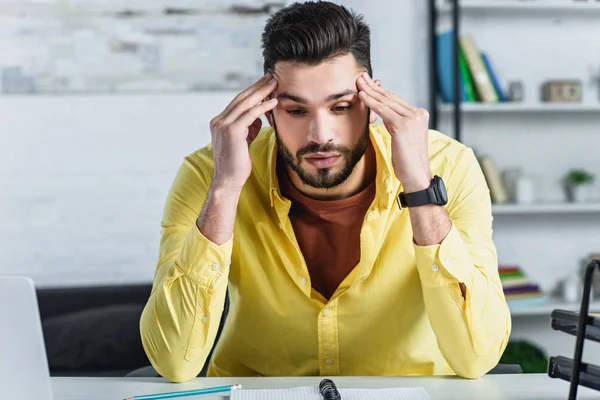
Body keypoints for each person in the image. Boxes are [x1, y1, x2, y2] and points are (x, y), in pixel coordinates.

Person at [140, 0, 511, 383]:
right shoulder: (210, 172)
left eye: (341, 107)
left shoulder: (448, 165)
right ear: (267, 112)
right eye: (297, 111)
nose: (321, 136)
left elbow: (475, 357)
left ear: (371, 103)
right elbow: (173, 362)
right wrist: (224, 189)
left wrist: (419, 188)